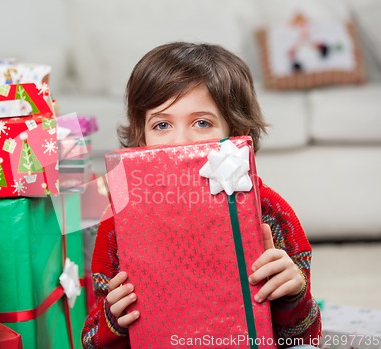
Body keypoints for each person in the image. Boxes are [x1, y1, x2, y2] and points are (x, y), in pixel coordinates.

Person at [82, 42, 321, 349]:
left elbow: (306, 336)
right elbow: (90, 340)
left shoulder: (270, 212)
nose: (180, 141)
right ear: (141, 138)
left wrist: (294, 294)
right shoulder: (118, 223)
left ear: (235, 133)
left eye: (202, 122)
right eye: (162, 124)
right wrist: (113, 320)